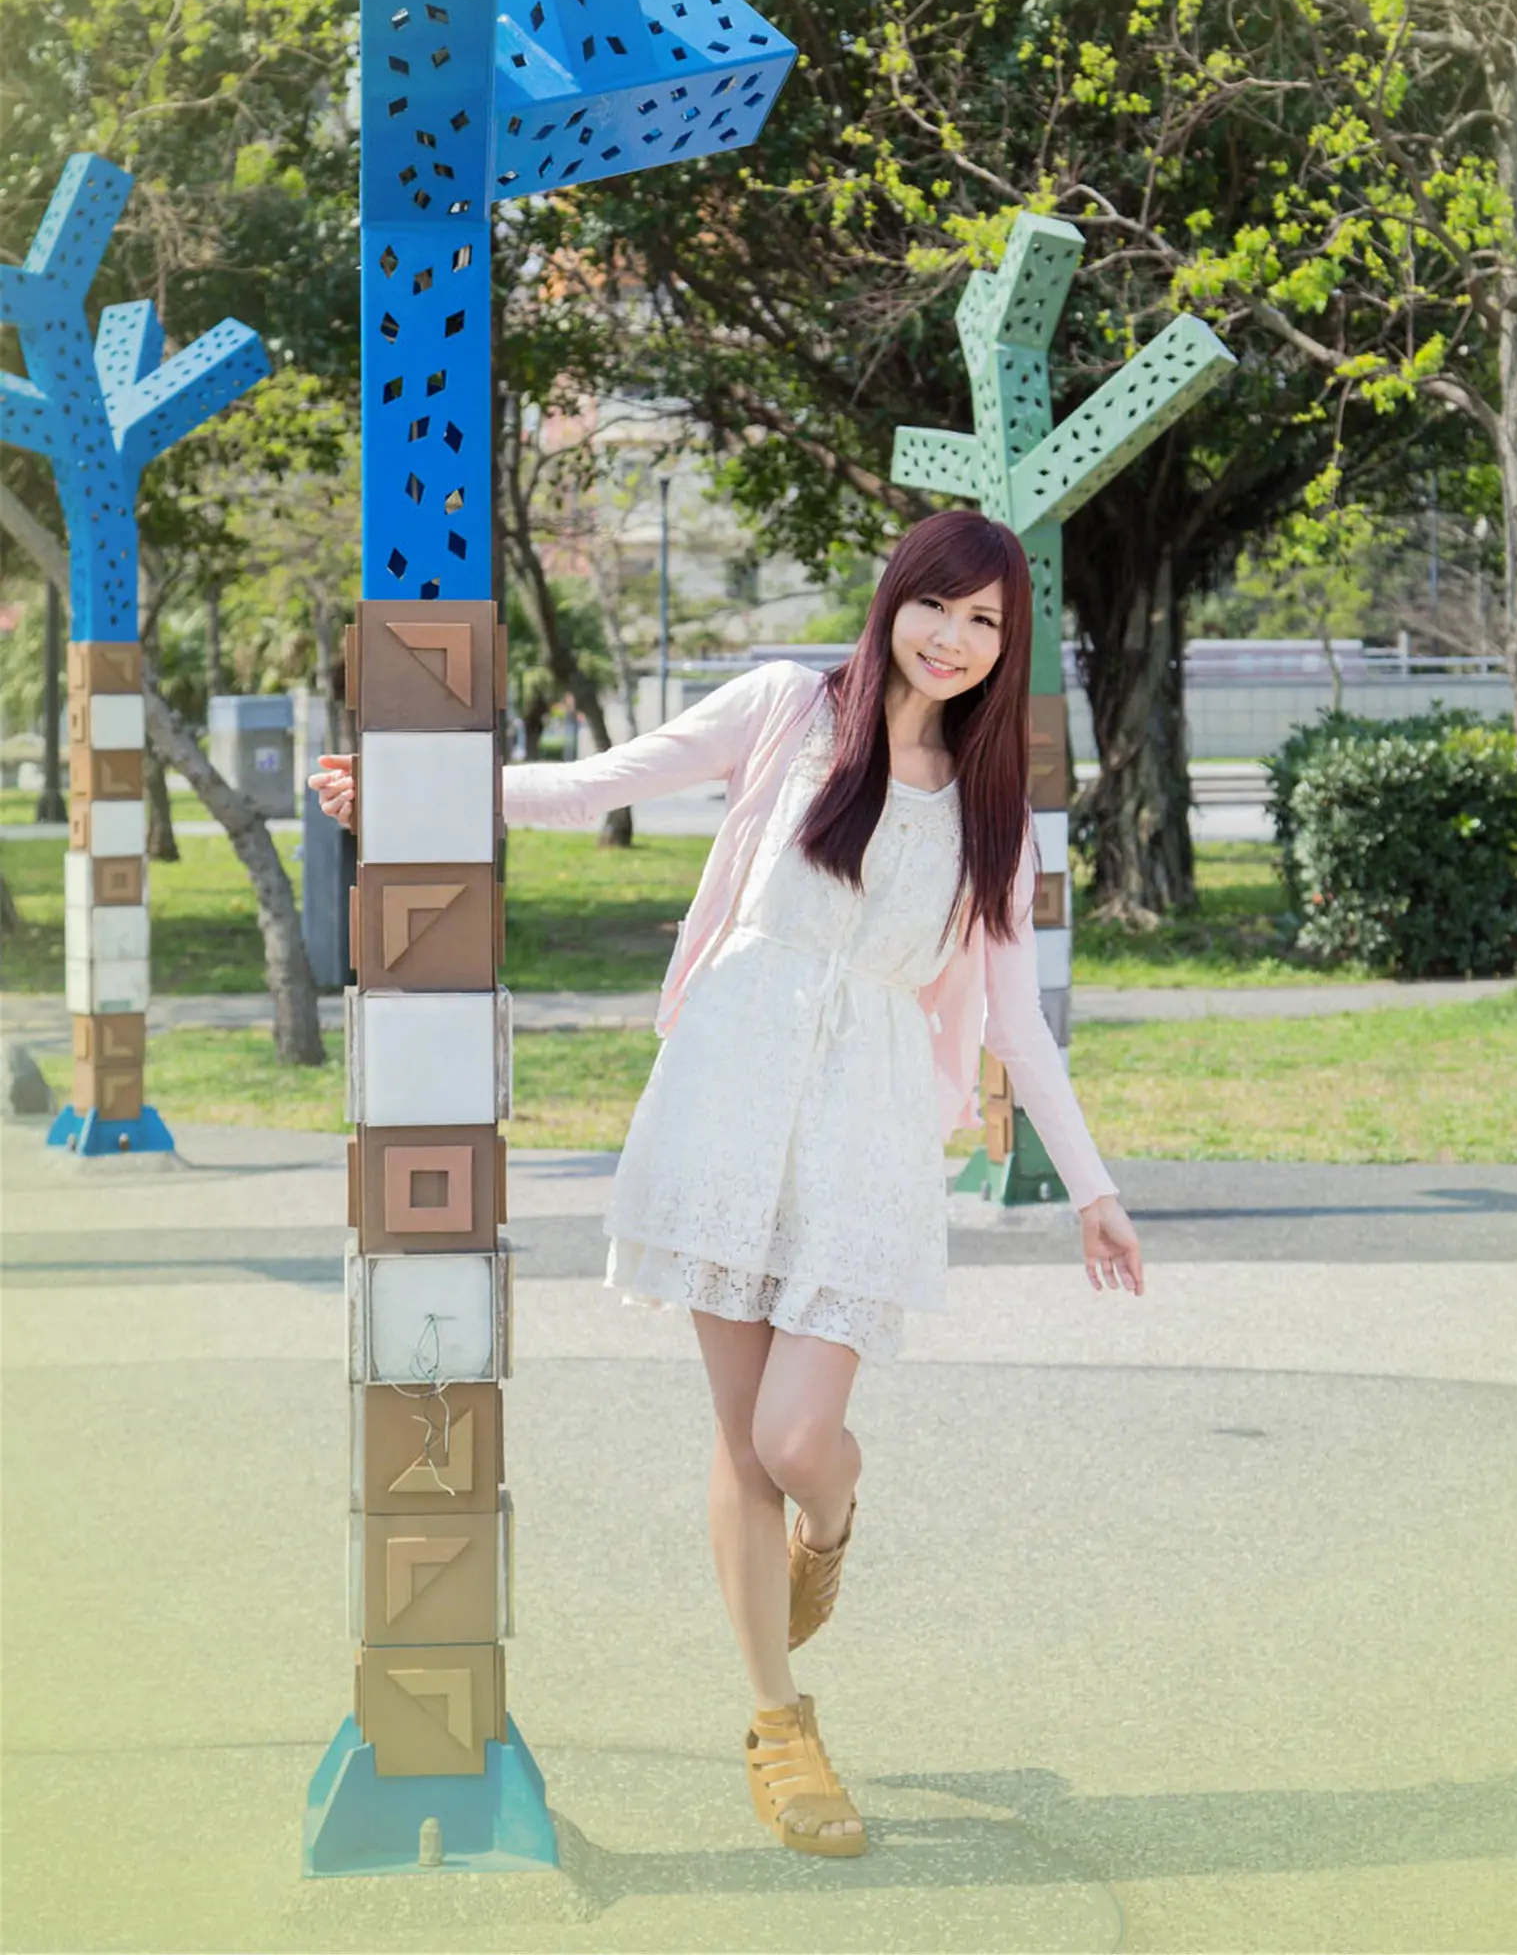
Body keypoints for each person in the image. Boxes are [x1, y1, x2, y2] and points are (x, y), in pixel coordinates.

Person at [311, 507, 1143, 1860]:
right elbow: (597, 786)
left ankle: (834, 1521)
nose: (952, 637)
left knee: (801, 1443)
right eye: (936, 604)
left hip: (868, 1130)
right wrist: (417, 795)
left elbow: (1016, 1023)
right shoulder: (786, 712)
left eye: (985, 621)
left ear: (1010, 644)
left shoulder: (997, 818)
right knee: (742, 1436)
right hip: (729, 1099)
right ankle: (779, 1725)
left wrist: (1093, 1188)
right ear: (894, 599)